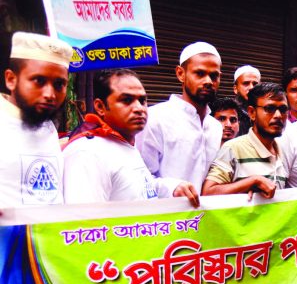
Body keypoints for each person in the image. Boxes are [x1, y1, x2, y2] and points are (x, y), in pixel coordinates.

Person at [63, 69, 199, 206]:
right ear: (100, 107)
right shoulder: (87, 153)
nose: (139, 108)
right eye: (127, 100)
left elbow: (139, 189)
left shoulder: (123, 143)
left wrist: (172, 188)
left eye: (142, 100)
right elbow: (84, 221)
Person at [136, 41, 223, 193]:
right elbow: (138, 179)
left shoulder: (215, 127)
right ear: (180, 74)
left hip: (206, 215)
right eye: (200, 74)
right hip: (165, 215)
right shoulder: (155, 119)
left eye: (214, 76)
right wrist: (172, 188)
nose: (209, 81)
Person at [0, 32, 72, 208]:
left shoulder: (46, 124)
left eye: (59, 84)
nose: (50, 94)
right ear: (11, 79)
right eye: (39, 81)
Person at [202, 82, 289, 198]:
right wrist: (252, 181)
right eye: (270, 108)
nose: (278, 115)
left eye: (283, 109)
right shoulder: (233, 148)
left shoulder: (283, 150)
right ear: (252, 113)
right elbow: (208, 192)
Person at [233, 65, 260, 134]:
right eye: (246, 83)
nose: (251, 87)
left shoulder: (263, 113)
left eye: (255, 84)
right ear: (235, 89)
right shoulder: (229, 113)